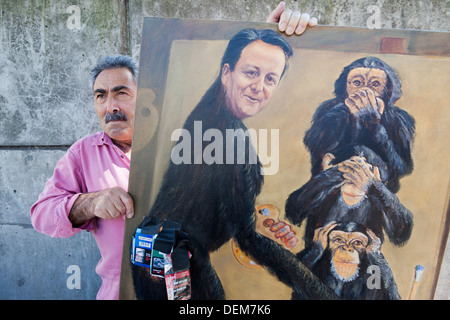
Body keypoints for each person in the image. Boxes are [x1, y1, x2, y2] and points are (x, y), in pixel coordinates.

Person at [30, 2, 318, 300]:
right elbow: (40, 214)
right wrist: (88, 203)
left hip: (188, 275)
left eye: (121, 93)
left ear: (147, 95)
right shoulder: (85, 153)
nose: (110, 106)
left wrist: (271, 35)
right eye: (100, 96)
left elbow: (223, 88)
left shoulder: (183, 131)